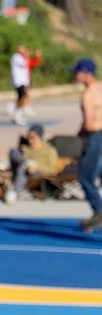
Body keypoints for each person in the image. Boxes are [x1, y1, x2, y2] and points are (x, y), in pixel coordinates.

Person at [73, 58, 102, 233]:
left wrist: (80, 135)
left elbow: (89, 124)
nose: (74, 75)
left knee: (85, 177)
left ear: (85, 73)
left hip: (95, 136)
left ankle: (99, 210)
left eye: (77, 72)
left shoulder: (88, 94)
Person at [5, 123, 59, 203]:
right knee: (13, 152)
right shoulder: (26, 148)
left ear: (40, 137)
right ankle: (25, 163)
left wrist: (36, 166)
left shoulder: (49, 150)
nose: (30, 141)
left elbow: (51, 169)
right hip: (23, 166)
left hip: (38, 173)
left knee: (23, 167)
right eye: (28, 138)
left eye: (33, 138)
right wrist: (27, 163)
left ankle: (15, 191)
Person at [9, 45, 42, 126]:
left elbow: (31, 64)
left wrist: (36, 57)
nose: (24, 50)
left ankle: (18, 113)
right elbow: (26, 62)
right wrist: (27, 54)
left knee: (23, 97)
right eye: (22, 49)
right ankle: (17, 114)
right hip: (18, 81)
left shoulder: (21, 57)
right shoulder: (16, 57)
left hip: (23, 81)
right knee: (23, 97)